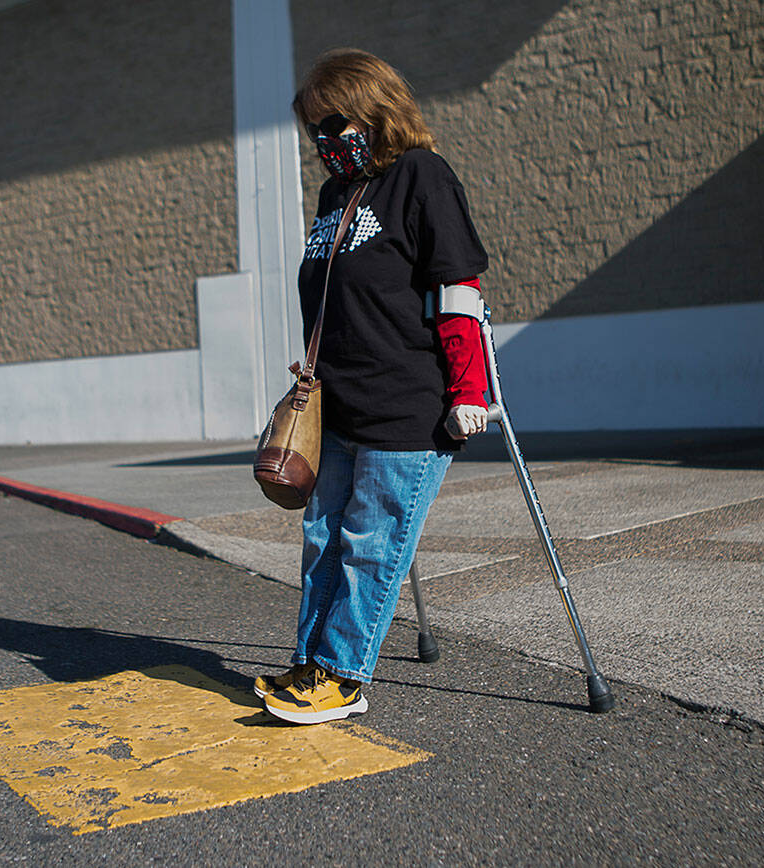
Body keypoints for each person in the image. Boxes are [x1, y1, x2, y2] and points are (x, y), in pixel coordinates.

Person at [254, 49, 492, 724]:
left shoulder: (423, 177)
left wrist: (469, 392)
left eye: (331, 125)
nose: (323, 144)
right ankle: (309, 661)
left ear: (369, 109)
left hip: (405, 406)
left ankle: (341, 677)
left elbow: (458, 291)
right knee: (322, 540)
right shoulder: (337, 195)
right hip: (338, 410)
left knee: (368, 543)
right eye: (313, 133)